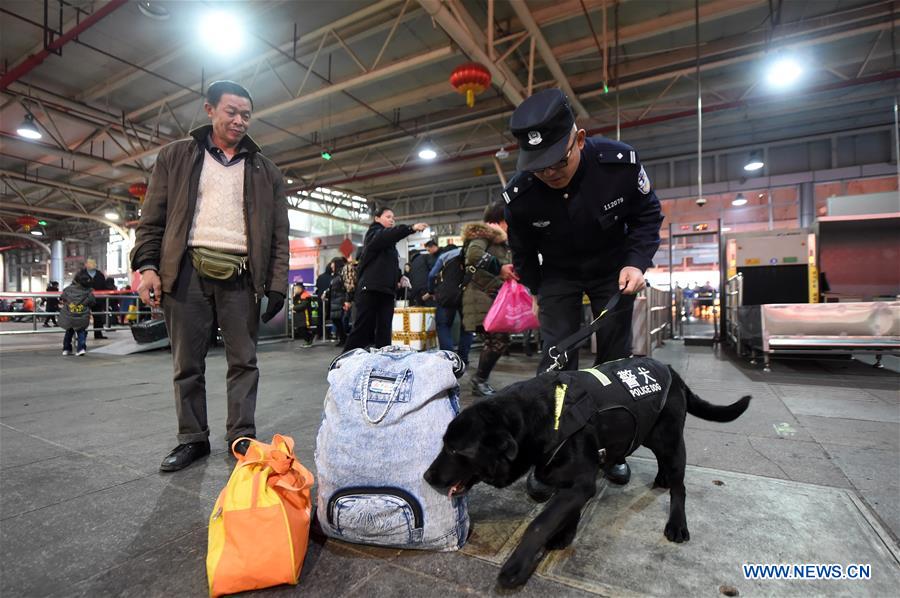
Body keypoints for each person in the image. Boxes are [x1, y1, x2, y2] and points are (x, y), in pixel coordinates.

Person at [503, 88, 663, 484]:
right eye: (538, 167)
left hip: (613, 267)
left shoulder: (619, 165)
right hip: (557, 273)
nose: (549, 174)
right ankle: (552, 451)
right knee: (556, 360)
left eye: (557, 162)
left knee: (613, 360)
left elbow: (648, 215)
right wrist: (538, 293)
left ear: (579, 138)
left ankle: (612, 448)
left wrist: (636, 262)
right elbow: (522, 253)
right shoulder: (520, 194)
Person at [131, 80, 289, 472]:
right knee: (187, 363)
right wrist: (148, 267)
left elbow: (278, 235)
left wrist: (277, 285)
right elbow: (151, 221)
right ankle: (192, 439)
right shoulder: (176, 157)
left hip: (242, 276)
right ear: (210, 110)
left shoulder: (267, 171)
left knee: (244, 361)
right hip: (186, 273)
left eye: (246, 115)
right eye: (231, 112)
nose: (239, 121)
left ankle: (241, 436)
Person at [343, 208, 427, 351]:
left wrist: (400, 277)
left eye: (393, 217)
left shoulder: (389, 245)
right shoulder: (373, 234)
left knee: (384, 330)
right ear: (377, 218)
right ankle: (342, 363)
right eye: (388, 216)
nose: (392, 220)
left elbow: (390, 264)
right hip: (370, 289)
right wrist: (410, 228)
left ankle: (384, 362)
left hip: (386, 291)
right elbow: (386, 237)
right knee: (362, 329)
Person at [462, 201, 517, 396]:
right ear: (501, 220)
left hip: (490, 296)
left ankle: (480, 380)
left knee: (497, 340)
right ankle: (479, 381)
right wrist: (499, 268)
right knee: (498, 340)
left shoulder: (500, 240)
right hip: (480, 296)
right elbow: (474, 254)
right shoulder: (485, 234)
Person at [427, 245, 473, 366]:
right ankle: (464, 359)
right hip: (468, 294)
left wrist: (431, 291)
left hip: (447, 295)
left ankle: (450, 360)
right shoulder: (472, 253)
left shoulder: (444, 256)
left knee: (443, 325)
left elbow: (432, 275)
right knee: (467, 328)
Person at [59, 272, 95, 356]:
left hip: (70, 314)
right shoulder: (89, 291)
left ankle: (66, 349)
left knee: (69, 331)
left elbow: (63, 297)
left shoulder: (68, 289)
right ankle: (81, 349)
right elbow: (92, 301)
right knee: (81, 331)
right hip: (82, 315)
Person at [77, 258, 107, 339]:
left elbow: (104, 287)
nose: (91, 265)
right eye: (89, 263)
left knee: (98, 317)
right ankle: (80, 335)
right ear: (86, 264)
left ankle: (98, 334)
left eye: (93, 263)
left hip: (97, 299)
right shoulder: (80, 274)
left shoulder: (100, 274)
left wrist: (103, 299)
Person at [408, 240, 439, 306]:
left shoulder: (411, 265)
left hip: (417, 293)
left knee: (423, 312)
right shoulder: (425, 257)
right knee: (432, 311)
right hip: (427, 290)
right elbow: (434, 270)